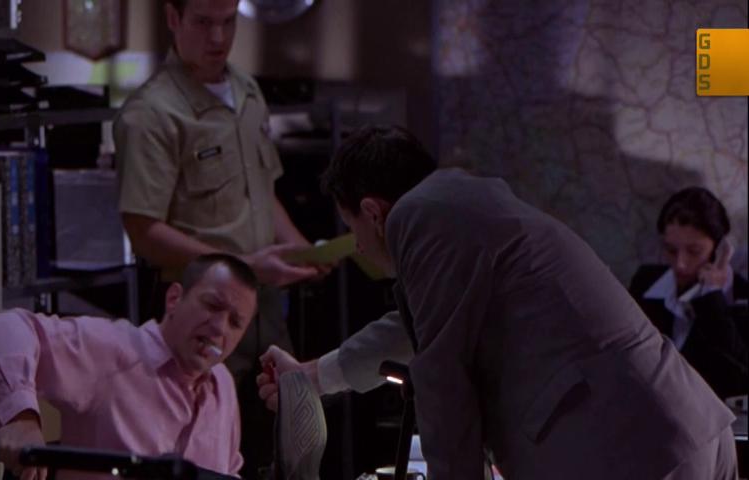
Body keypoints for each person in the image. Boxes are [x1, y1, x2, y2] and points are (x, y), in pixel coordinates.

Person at [257, 125, 739, 480]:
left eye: (353, 229)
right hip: (679, 432)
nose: (359, 246)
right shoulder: (458, 206)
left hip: (632, 451)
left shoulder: (417, 217)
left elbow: (443, 381)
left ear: (373, 212)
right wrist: (313, 376)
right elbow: (411, 329)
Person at [113, 0, 328, 475]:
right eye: (203, 23)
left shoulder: (246, 91)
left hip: (263, 307)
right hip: (199, 311)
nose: (218, 38)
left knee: (280, 448)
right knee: (199, 454)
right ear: (173, 18)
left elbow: (262, 193)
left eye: (228, 22)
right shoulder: (151, 112)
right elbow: (143, 231)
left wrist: (302, 249)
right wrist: (245, 265)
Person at [0, 254, 258, 480]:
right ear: (174, 299)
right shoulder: (115, 351)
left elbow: (228, 471)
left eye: (235, 323)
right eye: (212, 306)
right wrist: (21, 417)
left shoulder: (222, 383)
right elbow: (5, 326)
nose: (220, 328)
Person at [629, 187, 748, 398]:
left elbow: (740, 376)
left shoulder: (741, 296)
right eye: (671, 250)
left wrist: (711, 296)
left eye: (694, 252)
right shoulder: (646, 282)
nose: (680, 264)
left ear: (719, 249)